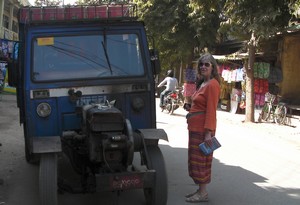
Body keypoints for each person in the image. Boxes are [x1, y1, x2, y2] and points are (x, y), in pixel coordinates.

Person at [184, 53, 221, 203]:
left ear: (213, 67)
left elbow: (211, 110)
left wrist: (208, 133)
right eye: (201, 64)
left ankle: (203, 193)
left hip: (202, 130)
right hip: (194, 128)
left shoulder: (212, 84)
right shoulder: (202, 84)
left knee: (201, 160)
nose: (203, 66)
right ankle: (200, 190)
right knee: (195, 160)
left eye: (207, 64)